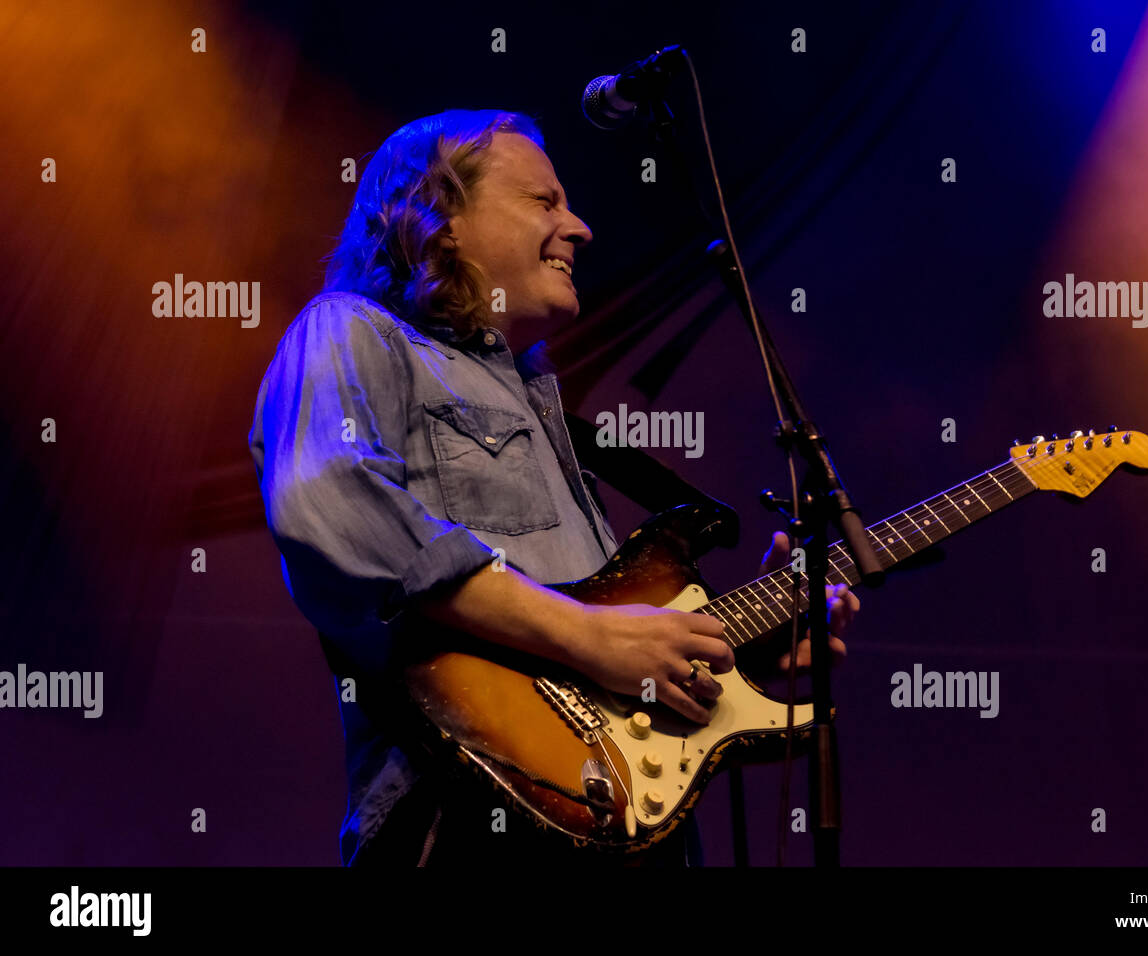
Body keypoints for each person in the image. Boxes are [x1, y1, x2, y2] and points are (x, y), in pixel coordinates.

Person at [248, 109, 860, 867]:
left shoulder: (544, 402)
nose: (581, 227)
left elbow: (603, 665)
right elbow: (332, 507)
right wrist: (587, 634)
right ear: (441, 221)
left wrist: (727, 655)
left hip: (628, 816)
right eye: (545, 201)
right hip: (468, 805)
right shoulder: (350, 330)